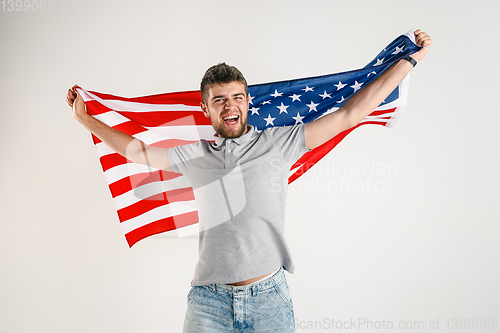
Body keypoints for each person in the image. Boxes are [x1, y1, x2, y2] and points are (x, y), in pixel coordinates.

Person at [66, 30, 431, 332]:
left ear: (247, 103)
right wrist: (86, 121)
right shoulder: (195, 156)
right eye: (219, 100)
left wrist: (407, 61)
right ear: (205, 108)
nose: (229, 106)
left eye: (237, 97)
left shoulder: (279, 142)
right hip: (208, 303)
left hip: (269, 299)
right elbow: (139, 152)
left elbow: (350, 113)